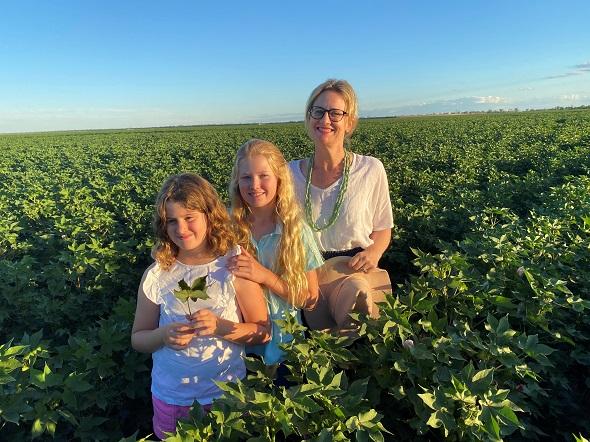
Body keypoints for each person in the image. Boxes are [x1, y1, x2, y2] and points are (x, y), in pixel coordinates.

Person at [131, 173, 270, 440]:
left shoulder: (233, 264)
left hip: (226, 396)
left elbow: (262, 331)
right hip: (172, 397)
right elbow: (138, 338)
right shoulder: (158, 273)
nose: (181, 229)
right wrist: (163, 336)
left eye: (189, 218)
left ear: (209, 215)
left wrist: (221, 327)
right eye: (172, 221)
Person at [288, 79, 394, 331]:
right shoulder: (287, 174)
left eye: (336, 113)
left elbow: (383, 227)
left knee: (360, 345)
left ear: (350, 123)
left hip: (356, 270)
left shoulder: (370, 169)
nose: (325, 120)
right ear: (308, 117)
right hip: (306, 278)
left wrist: (374, 252)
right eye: (318, 111)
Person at [227, 138, 324, 367]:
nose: (254, 185)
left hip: (285, 348)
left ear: (280, 178)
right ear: (237, 182)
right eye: (246, 177)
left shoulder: (296, 230)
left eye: (264, 176)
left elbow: (310, 298)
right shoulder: (226, 227)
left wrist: (264, 276)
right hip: (237, 346)